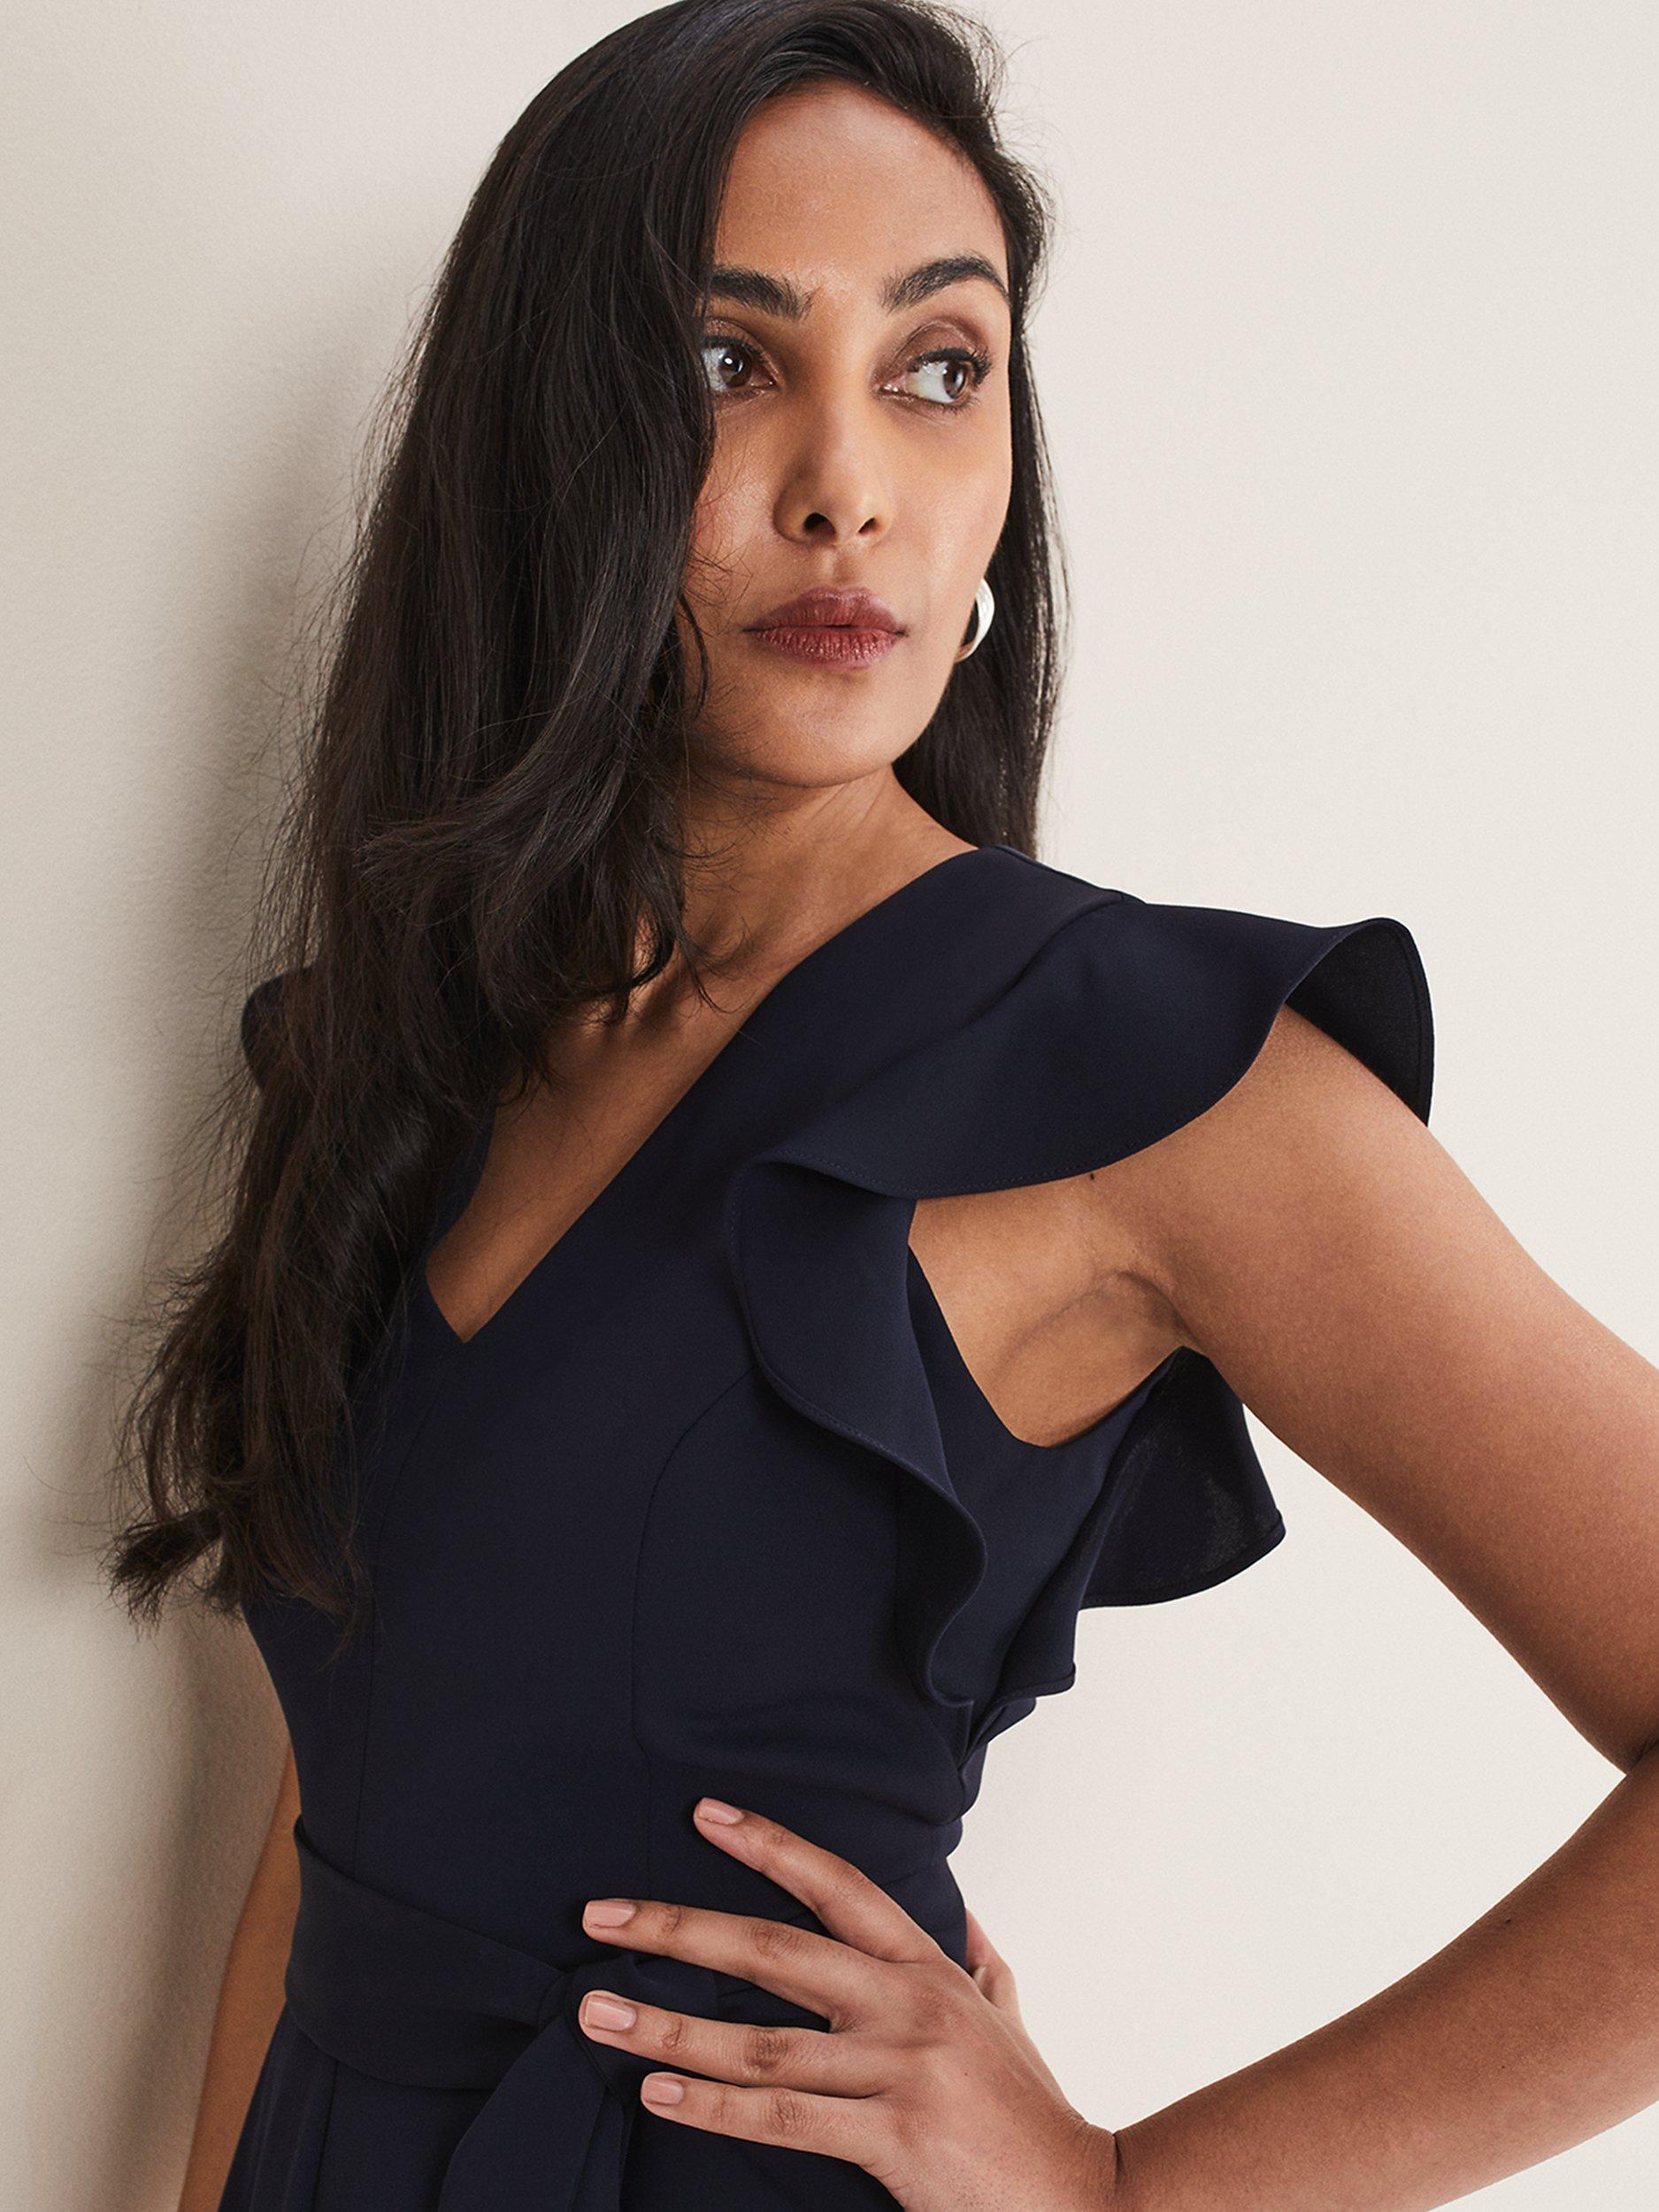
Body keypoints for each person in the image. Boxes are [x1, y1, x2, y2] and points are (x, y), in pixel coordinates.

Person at [105, 4, 1659, 2208]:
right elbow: (320, 1820)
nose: (846, 482)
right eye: (724, 361)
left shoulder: (1149, 1077)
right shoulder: (389, 1060)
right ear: (551, 442)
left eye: (938, 367)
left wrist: (1126, 2187)